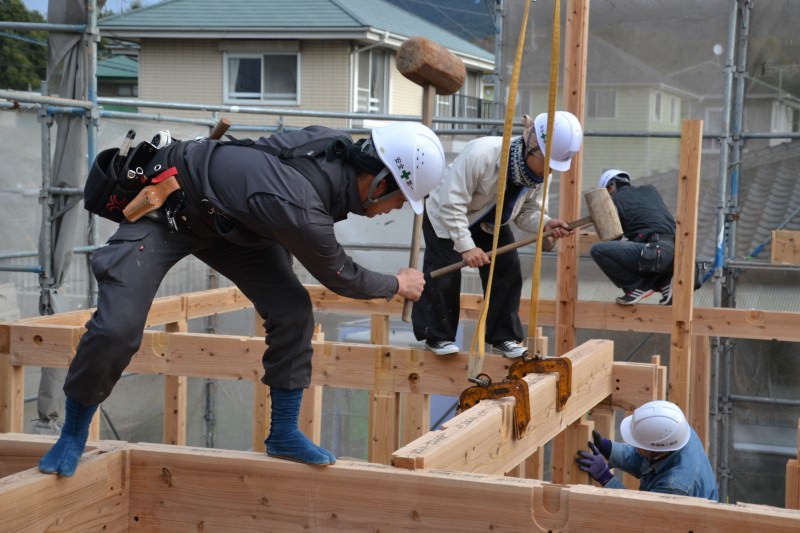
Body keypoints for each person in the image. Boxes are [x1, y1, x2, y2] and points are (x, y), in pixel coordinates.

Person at [38, 121, 446, 476]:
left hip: (235, 223)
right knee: (117, 327)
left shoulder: (329, 146)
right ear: (379, 182)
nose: (391, 211)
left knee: (292, 311)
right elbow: (341, 276)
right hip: (170, 207)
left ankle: (283, 433)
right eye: (397, 201)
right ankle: (72, 434)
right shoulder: (300, 207)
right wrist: (397, 284)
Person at [412, 111, 582, 357]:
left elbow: (526, 212)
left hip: (491, 221)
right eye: (547, 163)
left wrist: (545, 224)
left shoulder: (537, 175)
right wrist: (466, 246)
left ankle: (503, 337)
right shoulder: (482, 154)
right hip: (447, 214)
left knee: (507, 269)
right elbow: (452, 203)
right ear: (531, 146)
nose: (550, 172)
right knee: (445, 271)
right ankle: (436, 335)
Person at [575, 400, 719, 501]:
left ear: (655, 450)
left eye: (639, 444)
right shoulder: (679, 433)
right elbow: (644, 458)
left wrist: (606, 477)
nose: (635, 447)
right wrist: (610, 449)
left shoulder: (674, 487)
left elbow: (639, 513)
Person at [590, 169, 676, 305]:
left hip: (654, 253)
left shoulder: (613, 201)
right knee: (640, 252)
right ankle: (665, 286)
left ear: (611, 187)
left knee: (598, 250)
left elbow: (613, 239)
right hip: (675, 255)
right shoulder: (650, 190)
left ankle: (635, 286)